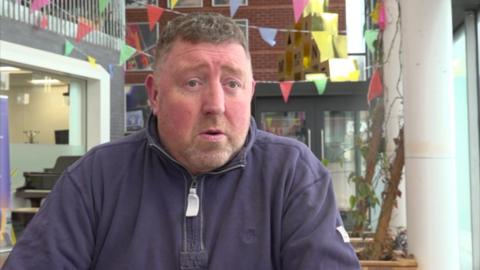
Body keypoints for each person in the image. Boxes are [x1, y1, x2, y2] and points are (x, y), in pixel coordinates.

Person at [3, 12, 361, 269]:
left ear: (251, 92)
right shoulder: (95, 179)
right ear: (155, 94)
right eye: (193, 82)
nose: (216, 105)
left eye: (232, 84)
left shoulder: (293, 174)